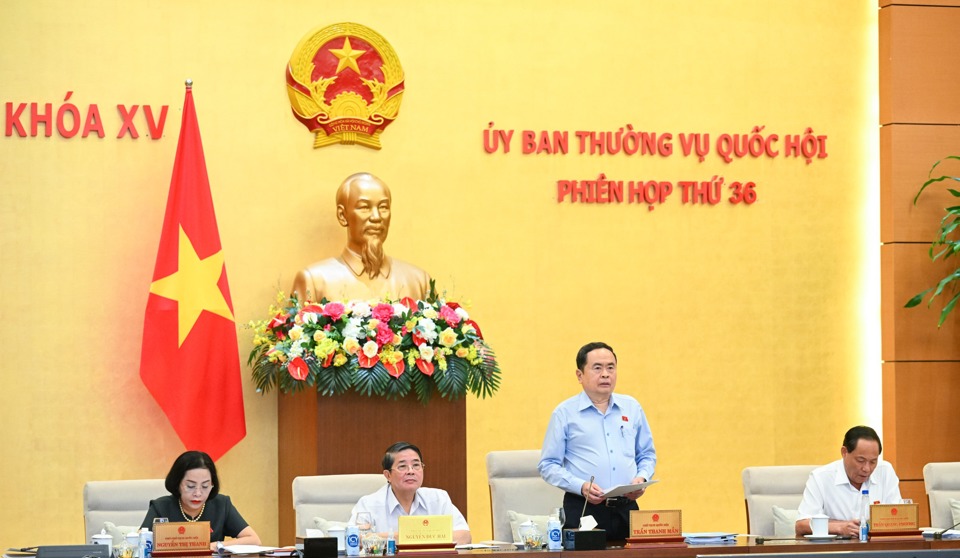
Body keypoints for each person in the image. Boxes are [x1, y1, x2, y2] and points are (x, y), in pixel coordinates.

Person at [538, 342, 656, 541]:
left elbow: (646, 454)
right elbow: (547, 465)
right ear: (579, 375)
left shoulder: (632, 407)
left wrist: (642, 478)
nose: (605, 374)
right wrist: (581, 485)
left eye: (611, 367)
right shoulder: (565, 413)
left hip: (626, 509)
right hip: (584, 509)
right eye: (597, 368)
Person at [292, 173, 431, 303]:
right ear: (342, 215)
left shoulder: (419, 282)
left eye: (383, 207)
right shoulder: (314, 281)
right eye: (364, 207)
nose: (376, 217)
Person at [350, 441, 471, 545]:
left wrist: (391, 537)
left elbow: (464, 536)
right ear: (388, 475)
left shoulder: (439, 499)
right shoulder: (368, 504)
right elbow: (356, 539)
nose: (411, 471)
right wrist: (421, 536)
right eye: (402, 466)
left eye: (416, 465)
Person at [795, 425, 903, 537]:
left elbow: (898, 519)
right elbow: (801, 525)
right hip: (836, 550)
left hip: (877, 548)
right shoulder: (821, 477)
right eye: (860, 460)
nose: (867, 469)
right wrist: (840, 528)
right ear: (844, 452)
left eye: (873, 462)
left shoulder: (885, 471)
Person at [141, 450, 260, 550]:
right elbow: (139, 543)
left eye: (205, 486)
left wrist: (214, 546)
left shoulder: (221, 505)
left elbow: (254, 540)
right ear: (177, 484)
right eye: (190, 486)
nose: (198, 493)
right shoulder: (161, 507)